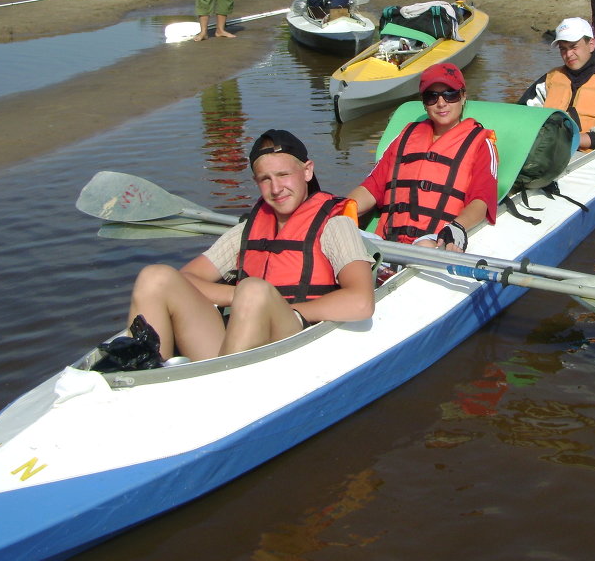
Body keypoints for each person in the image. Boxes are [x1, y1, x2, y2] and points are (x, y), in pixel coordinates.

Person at [123, 130, 375, 361]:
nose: (276, 188)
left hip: (293, 338)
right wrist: (237, 296)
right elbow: (187, 277)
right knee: (154, 276)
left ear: (307, 171)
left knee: (253, 289)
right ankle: (147, 370)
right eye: (265, 179)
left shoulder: (335, 225)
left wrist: (283, 307)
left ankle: (225, 385)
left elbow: (361, 302)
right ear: (256, 181)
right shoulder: (247, 230)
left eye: (283, 175)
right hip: (239, 342)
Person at [348, 63, 498, 252]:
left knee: (424, 244)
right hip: (386, 240)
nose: (441, 103)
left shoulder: (481, 143)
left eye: (450, 94)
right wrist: (342, 210)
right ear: (424, 102)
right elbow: (372, 187)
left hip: (436, 240)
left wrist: (457, 228)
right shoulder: (406, 136)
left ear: (463, 96)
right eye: (431, 97)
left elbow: (482, 200)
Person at [517, 17, 595, 152]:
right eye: (563, 49)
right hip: (549, 152)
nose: (568, 54)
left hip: (591, 156)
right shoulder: (550, 79)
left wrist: (576, 139)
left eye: (574, 47)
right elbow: (523, 112)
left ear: (591, 44)